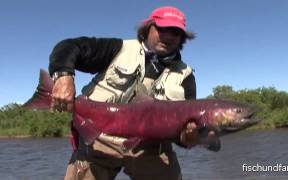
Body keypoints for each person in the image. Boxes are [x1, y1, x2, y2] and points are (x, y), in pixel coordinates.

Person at [49, 6, 216, 180]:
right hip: (98, 140)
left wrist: (187, 138)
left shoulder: (186, 77)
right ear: (147, 28)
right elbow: (68, 46)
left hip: (152, 148)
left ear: (182, 38)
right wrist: (62, 76)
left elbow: (181, 135)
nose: (168, 36)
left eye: (175, 32)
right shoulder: (117, 49)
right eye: (162, 28)